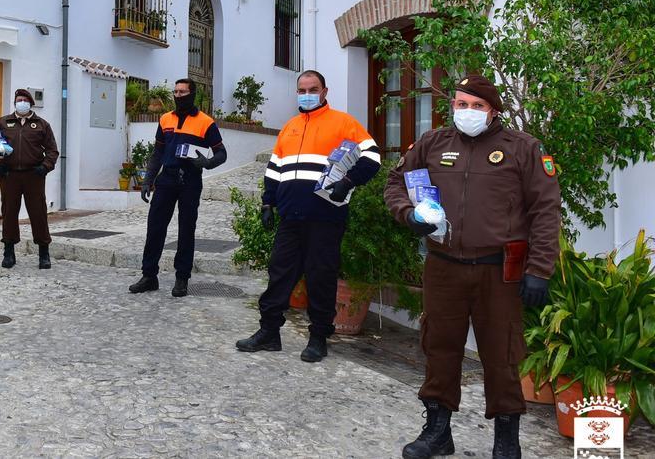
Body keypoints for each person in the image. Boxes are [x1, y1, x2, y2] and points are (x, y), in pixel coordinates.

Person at [384, 75, 560, 459]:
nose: (467, 112)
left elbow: (546, 211)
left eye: (476, 106)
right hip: (443, 265)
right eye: (461, 104)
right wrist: (408, 213)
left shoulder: (523, 148)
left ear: (493, 110)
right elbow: (396, 182)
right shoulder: (433, 143)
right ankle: (437, 431)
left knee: (502, 353)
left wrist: (539, 269)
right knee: (440, 347)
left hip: (498, 271)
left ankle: (506, 439)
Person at [236, 70, 381, 362]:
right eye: (302, 90)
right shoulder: (289, 127)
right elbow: (274, 170)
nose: (307, 94)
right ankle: (269, 332)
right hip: (290, 216)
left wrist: (348, 182)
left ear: (324, 91)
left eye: (312, 89)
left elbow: (373, 157)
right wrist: (267, 204)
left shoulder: (344, 122)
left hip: (326, 216)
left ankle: (318, 337)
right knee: (279, 274)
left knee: (321, 276)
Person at [128, 78, 227, 298]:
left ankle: (182, 278)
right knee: (155, 227)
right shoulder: (165, 119)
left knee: (186, 230)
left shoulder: (205, 122)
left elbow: (222, 153)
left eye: (182, 92)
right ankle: (149, 276)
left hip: (190, 182)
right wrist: (148, 180)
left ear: (192, 94)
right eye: (175, 91)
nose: (178, 95)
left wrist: (207, 163)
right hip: (167, 180)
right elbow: (158, 153)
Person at [0, 88, 60, 269]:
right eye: (18, 99)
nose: (21, 102)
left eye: (24, 99)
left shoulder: (41, 124)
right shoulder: (2, 122)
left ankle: (44, 252)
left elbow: (52, 150)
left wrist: (45, 167)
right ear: (15, 103)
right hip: (9, 174)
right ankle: (9, 252)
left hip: (34, 174)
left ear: (30, 103)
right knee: (9, 212)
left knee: (38, 212)